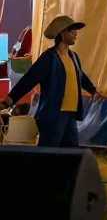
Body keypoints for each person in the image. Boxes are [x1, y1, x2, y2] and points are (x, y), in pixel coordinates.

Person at [0, 14, 100, 146]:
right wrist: (10, 100)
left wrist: (93, 90)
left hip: (70, 114)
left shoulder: (73, 57)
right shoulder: (49, 58)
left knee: (71, 152)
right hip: (54, 115)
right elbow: (30, 79)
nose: (76, 33)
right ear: (62, 33)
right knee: (48, 151)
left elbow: (81, 77)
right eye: (72, 30)